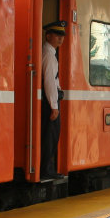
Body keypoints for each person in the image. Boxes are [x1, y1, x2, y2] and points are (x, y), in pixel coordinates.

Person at [41, 20, 66, 179]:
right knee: (50, 136)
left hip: (50, 101)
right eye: (57, 35)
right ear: (48, 35)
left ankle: (46, 168)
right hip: (50, 103)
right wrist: (54, 106)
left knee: (50, 136)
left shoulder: (49, 53)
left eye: (62, 35)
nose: (60, 38)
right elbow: (49, 81)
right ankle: (46, 169)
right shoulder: (49, 56)